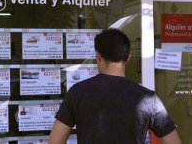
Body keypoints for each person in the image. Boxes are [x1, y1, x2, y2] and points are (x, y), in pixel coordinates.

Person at [48, 28, 181, 144]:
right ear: (128, 58)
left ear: (98, 56)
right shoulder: (147, 98)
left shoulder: (77, 92)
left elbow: (55, 141)